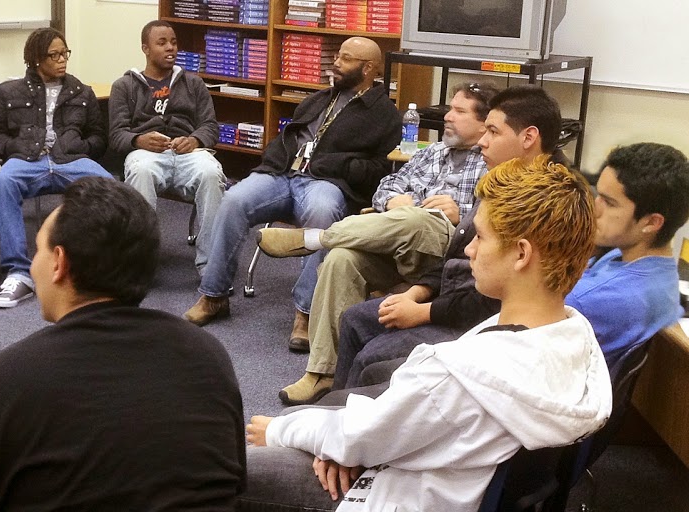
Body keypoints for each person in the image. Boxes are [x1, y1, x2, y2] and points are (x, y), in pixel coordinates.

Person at [240, 157, 609, 511]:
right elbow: (376, 433)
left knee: (223, 466)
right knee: (323, 418)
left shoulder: (456, 376)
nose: (469, 248)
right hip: (439, 471)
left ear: (521, 254)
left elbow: (360, 439)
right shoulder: (575, 335)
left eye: (480, 237)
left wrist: (279, 431)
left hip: (397, 494)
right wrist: (351, 445)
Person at [0, 177, 245, 509]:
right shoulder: (209, 357)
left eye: (38, 251)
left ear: (59, 263)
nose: (32, 266)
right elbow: (233, 484)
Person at [330, 142, 689, 397]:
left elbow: (513, 326)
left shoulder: (605, 300)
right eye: (597, 195)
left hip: (507, 364)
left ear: (651, 223)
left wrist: (429, 309)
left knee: (375, 363)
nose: (593, 209)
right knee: (360, 322)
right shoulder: (633, 263)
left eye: (609, 203)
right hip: (513, 345)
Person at [299, 85, 562, 403]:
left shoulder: (541, 200)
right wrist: (417, 292)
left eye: (492, 131)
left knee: (372, 359)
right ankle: (332, 412)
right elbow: (457, 254)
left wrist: (423, 312)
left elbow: (492, 302)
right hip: (443, 289)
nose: (483, 141)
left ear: (528, 138)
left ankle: (349, 432)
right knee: (355, 317)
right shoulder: (503, 178)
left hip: (477, 321)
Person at [252, 81, 496, 404]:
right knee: (341, 259)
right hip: (395, 245)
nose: (448, 116)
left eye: (459, 111)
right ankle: (322, 373)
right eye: (449, 108)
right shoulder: (433, 152)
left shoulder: (491, 163)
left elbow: (489, 224)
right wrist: (392, 201)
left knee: (420, 219)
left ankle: (317, 237)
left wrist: (459, 212)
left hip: (444, 253)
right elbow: (386, 185)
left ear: (484, 125)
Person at [183, 37, 400, 337]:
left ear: (367, 69)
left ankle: (306, 313)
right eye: (337, 55)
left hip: (326, 183)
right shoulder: (320, 98)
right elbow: (289, 137)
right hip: (282, 175)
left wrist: (334, 165)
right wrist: (273, 159)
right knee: (233, 199)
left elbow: (378, 171)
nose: (336, 62)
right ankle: (213, 295)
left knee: (323, 212)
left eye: (346, 58)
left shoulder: (384, 114)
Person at [0, 27, 113, 309]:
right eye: (53, 55)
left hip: (70, 159)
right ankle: (19, 273)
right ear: (35, 59)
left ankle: (97, 268)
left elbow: (98, 135)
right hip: (28, 159)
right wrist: (12, 149)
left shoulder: (82, 91)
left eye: (64, 53)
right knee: (5, 181)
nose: (62, 60)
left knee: (110, 187)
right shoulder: (9, 92)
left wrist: (83, 148)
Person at [111, 20, 224, 269]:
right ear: (145, 48)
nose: (170, 48)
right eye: (161, 43)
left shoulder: (193, 84)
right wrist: (138, 139)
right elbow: (116, 135)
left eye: (173, 42)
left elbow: (210, 127)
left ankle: (211, 267)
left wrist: (194, 139)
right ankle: (140, 263)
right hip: (146, 153)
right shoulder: (125, 86)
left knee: (212, 173)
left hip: (188, 152)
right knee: (140, 172)